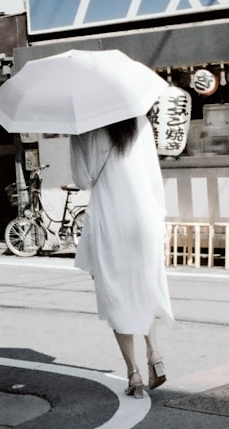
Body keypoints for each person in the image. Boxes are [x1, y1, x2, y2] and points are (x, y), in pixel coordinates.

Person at [69, 115, 175, 398]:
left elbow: (81, 180)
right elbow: (154, 177)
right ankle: (155, 355)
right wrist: (160, 222)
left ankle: (134, 374)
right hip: (144, 218)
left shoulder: (84, 128)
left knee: (116, 295)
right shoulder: (139, 122)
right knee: (143, 289)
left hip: (109, 219)